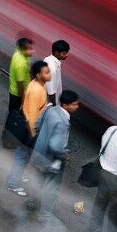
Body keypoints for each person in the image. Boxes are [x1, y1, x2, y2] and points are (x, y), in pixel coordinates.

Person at [32, 89, 80, 217]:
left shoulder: (51, 110)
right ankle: (46, 214)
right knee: (52, 188)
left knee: (39, 181)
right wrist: (64, 155)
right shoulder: (62, 122)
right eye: (74, 104)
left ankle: (32, 203)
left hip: (40, 153)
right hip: (51, 160)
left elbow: (37, 125)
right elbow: (55, 146)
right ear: (65, 105)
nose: (77, 107)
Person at [5, 60, 50, 196]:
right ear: (38, 75)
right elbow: (31, 115)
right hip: (30, 129)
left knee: (23, 155)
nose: (49, 74)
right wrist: (33, 134)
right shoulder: (36, 90)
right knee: (22, 156)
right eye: (46, 72)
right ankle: (13, 183)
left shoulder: (39, 84)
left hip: (31, 127)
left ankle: (17, 177)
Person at [3, 37, 34, 147]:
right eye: (29, 49)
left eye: (31, 48)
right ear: (22, 50)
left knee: (13, 115)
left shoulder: (19, 54)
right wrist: (23, 100)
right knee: (14, 118)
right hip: (17, 94)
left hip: (15, 92)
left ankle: (9, 138)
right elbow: (20, 84)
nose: (32, 51)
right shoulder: (20, 64)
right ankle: (7, 141)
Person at [43, 40, 69, 106]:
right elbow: (51, 91)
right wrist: (54, 107)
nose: (66, 55)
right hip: (51, 103)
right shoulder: (52, 68)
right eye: (64, 53)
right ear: (56, 52)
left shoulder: (47, 59)